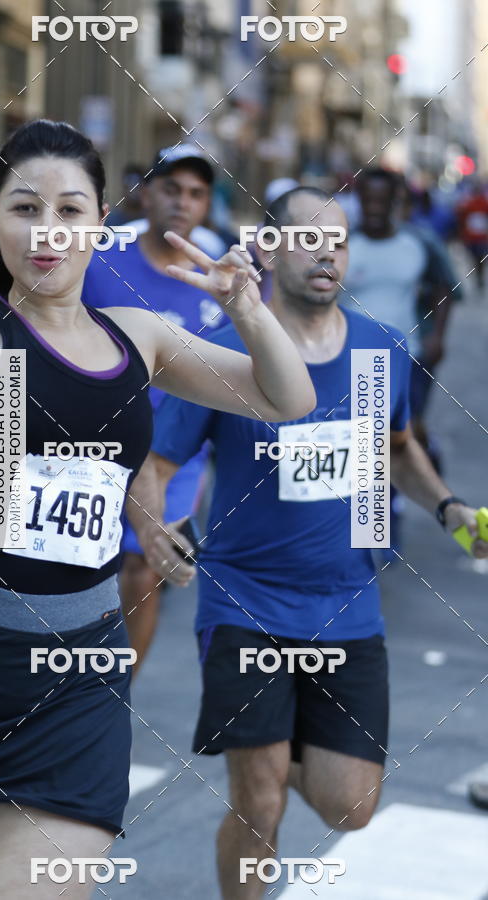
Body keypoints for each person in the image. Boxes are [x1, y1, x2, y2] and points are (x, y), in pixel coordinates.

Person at [0, 119, 315, 900]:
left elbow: (286, 398)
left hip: (77, 679)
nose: (47, 231)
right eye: (25, 209)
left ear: (101, 224)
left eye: (69, 210)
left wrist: (250, 310)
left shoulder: (140, 338)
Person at [128, 187, 488, 900]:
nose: (328, 253)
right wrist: (152, 527)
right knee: (259, 802)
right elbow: (156, 465)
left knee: (350, 806)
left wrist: (450, 509)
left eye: (339, 242)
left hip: (347, 603)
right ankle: (256, 775)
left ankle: (275, 743)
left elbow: (395, 447)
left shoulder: (379, 348)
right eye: (310, 238)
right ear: (269, 249)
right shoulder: (225, 353)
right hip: (245, 602)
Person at [81, 143, 230, 673]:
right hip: (93, 442)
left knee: (146, 568)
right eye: (171, 188)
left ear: (206, 204)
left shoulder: (218, 277)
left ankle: (118, 687)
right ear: (145, 193)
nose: (182, 202)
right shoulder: (100, 259)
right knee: (83, 564)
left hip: (175, 452)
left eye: (195, 193)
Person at [340, 167, 462, 549]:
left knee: (400, 437)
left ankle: (397, 505)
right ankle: (376, 523)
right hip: (353, 360)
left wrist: (437, 336)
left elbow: (446, 287)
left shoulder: (419, 242)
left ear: (397, 202)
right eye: (368, 200)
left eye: (383, 200)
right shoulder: (342, 245)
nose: (375, 208)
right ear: (358, 200)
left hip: (407, 359)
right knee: (366, 442)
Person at [456, 178, 488, 288]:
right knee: (477, 259)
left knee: (477, 259)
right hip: (474, 238)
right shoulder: (471, 203)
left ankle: (479, 277)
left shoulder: (477, 203)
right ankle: (479, 277)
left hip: (478, 238)